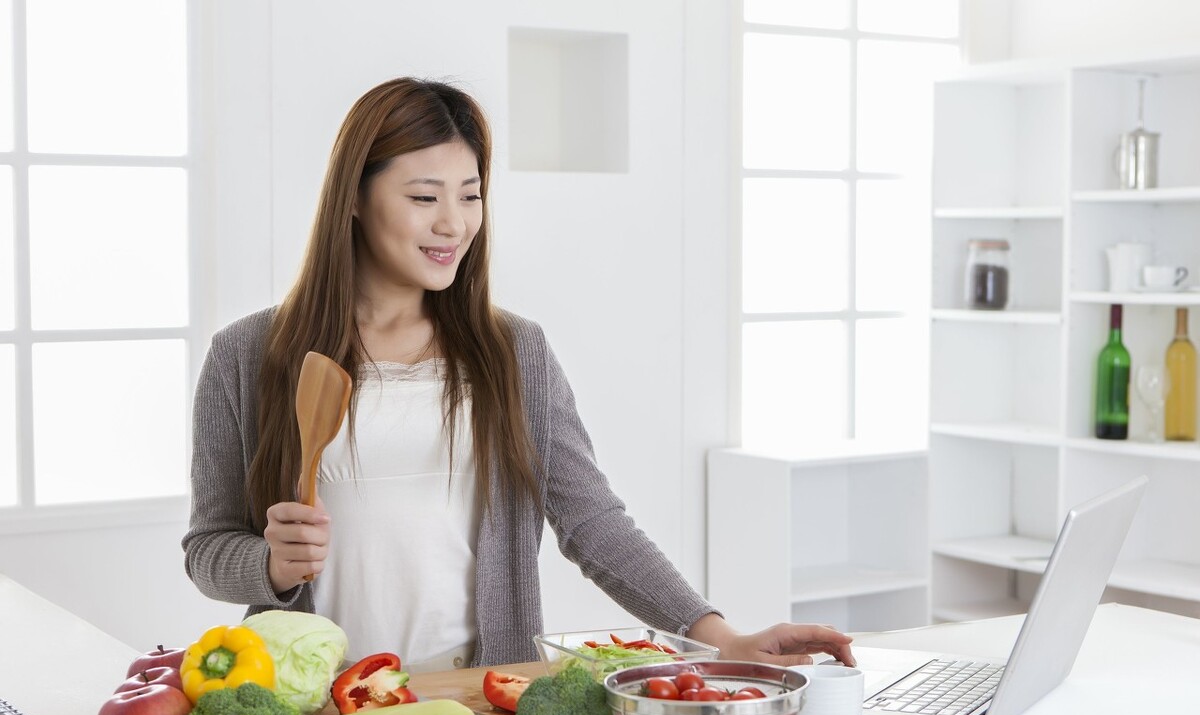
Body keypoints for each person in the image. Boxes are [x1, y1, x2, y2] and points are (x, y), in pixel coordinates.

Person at [183, 77, 855, 673]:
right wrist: (268, 566)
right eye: (424, 196)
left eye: (470, 195)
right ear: (354, 198)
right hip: (316, 703)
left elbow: (592, 522)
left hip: (475, 697)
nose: (454, 222)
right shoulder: (247, 356)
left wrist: (718, 637)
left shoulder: (513, 353)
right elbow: (208, 548)